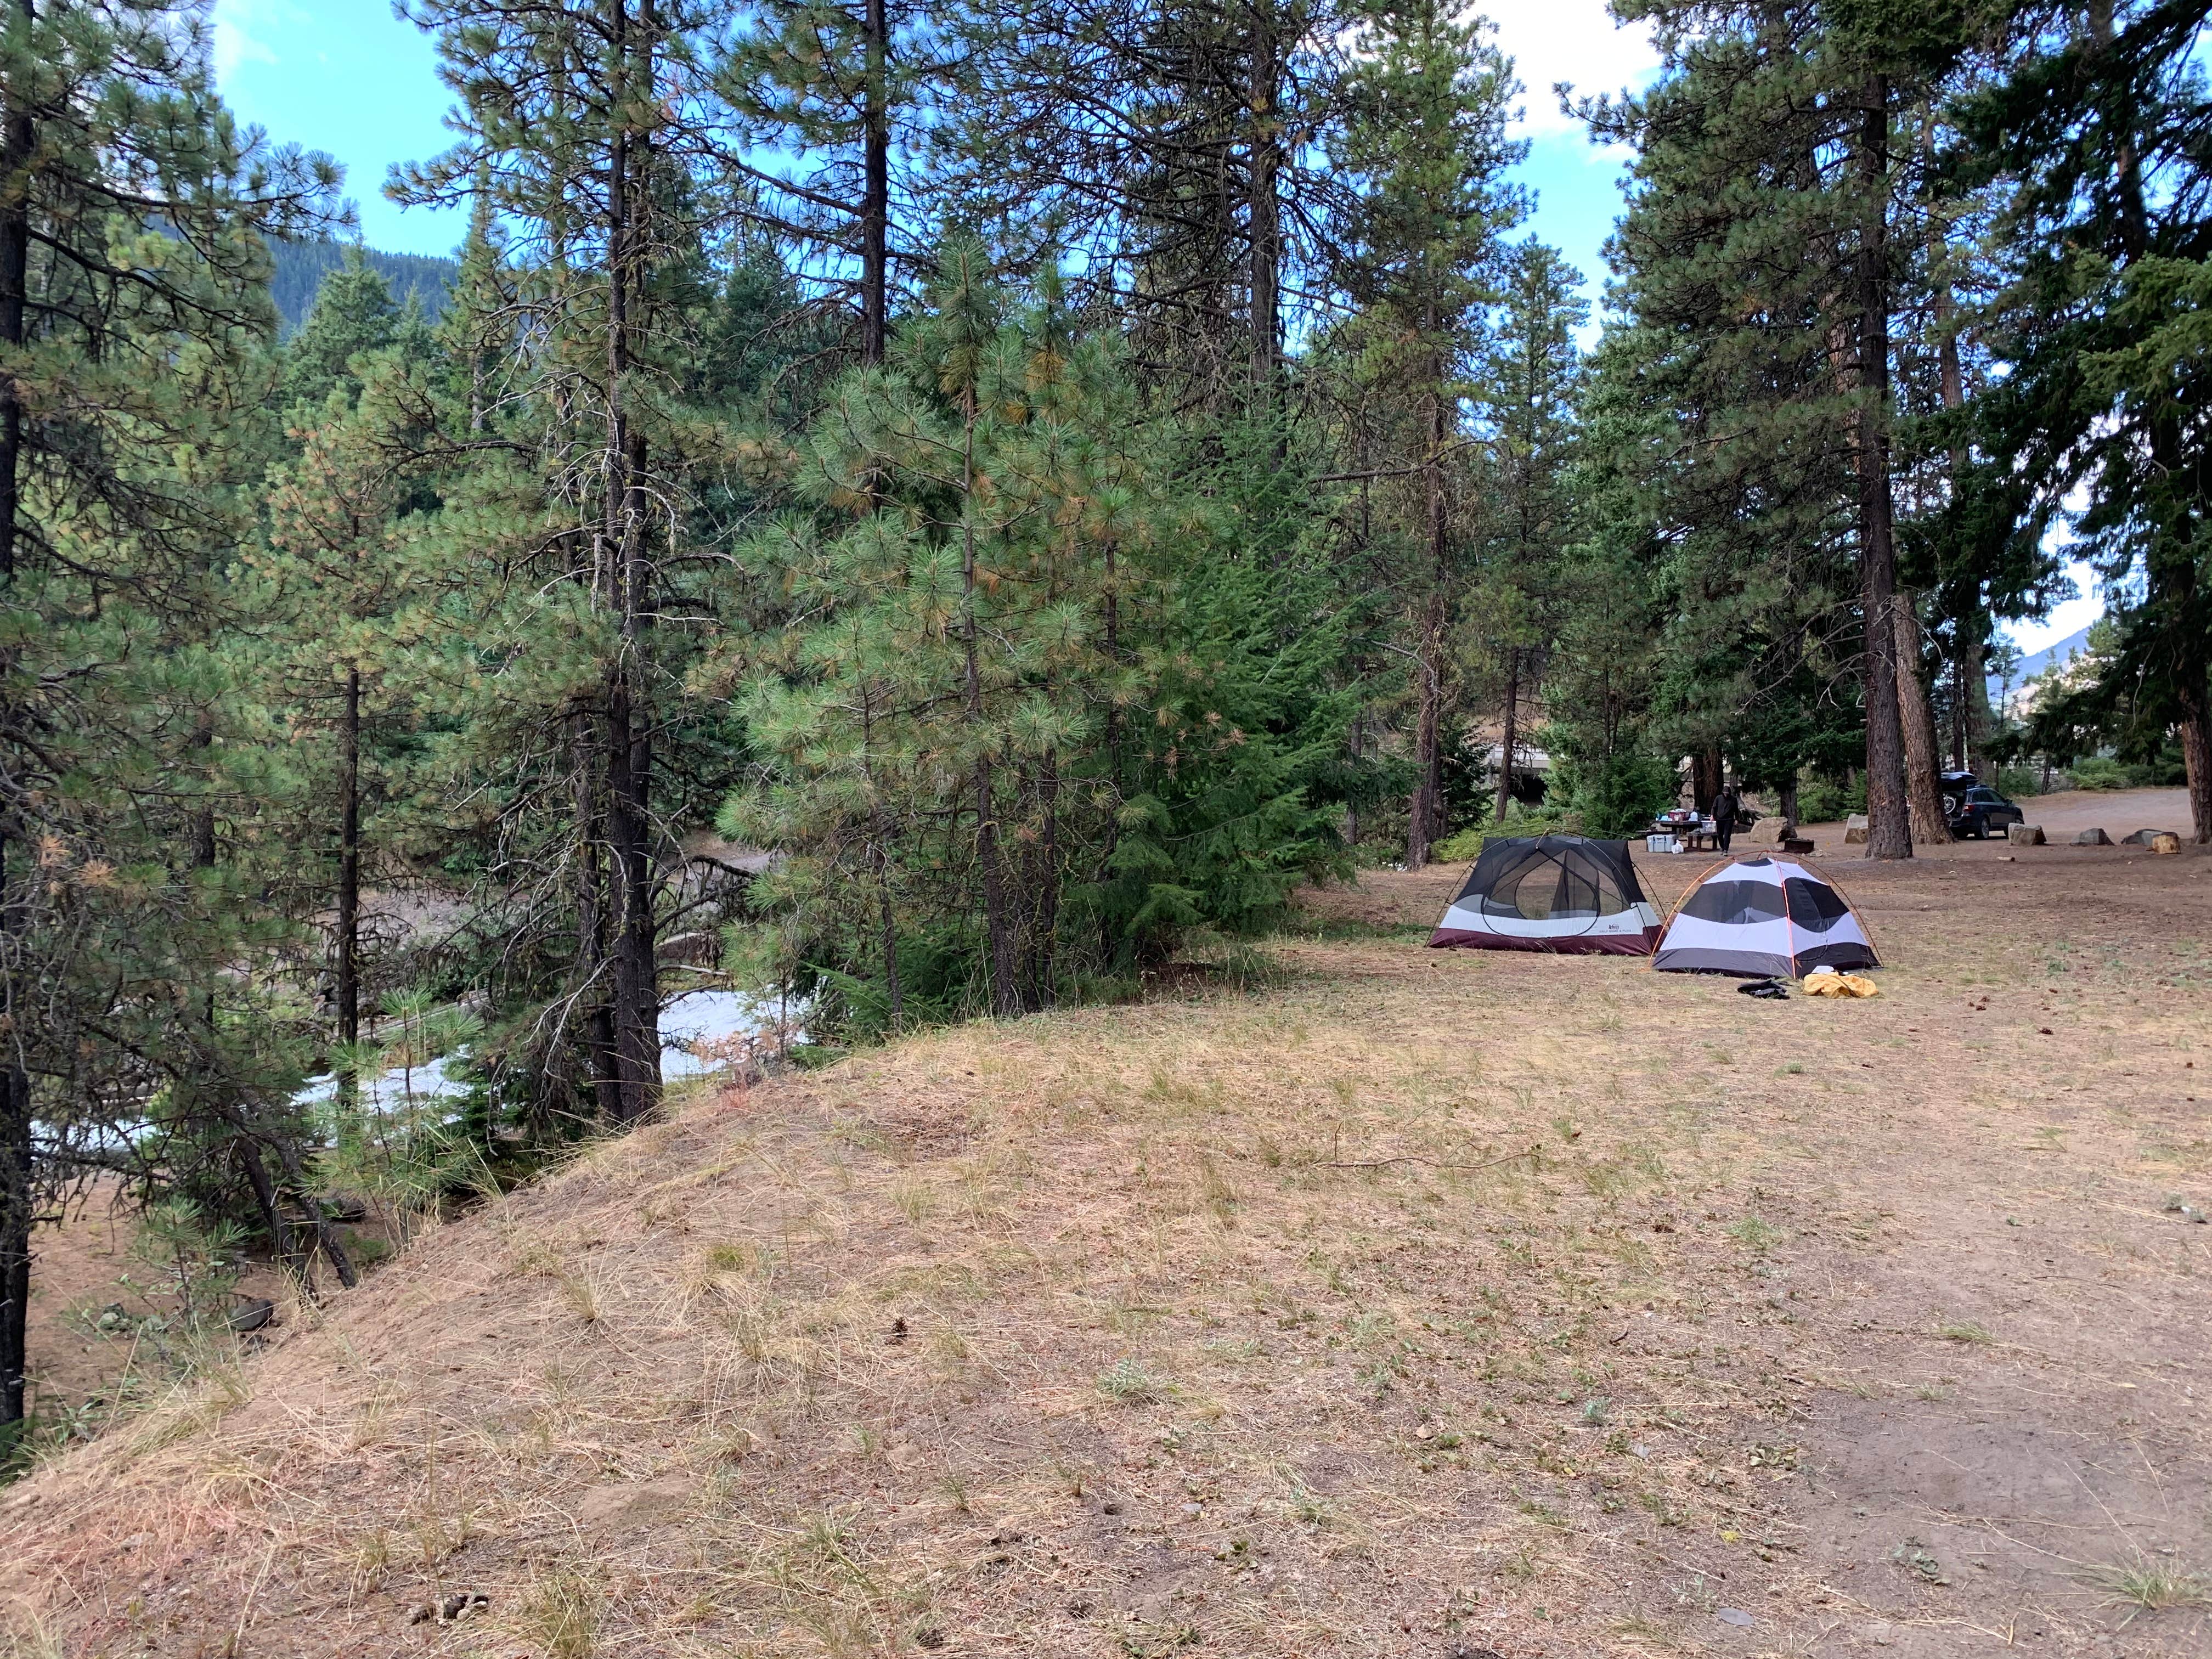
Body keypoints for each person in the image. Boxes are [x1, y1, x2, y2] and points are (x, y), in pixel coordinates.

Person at [1713, 783, 1740, 852]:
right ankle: (1722, 847)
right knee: (1720, 835)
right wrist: (1712, 815)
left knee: (1727, 835)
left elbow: (1736, 810)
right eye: (1725, 794)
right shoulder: (1718, 798)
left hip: (1729, 819)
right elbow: (1714, 807)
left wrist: (1737, 819)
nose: (1726, 795)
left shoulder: (1733, 800)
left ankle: (1726, 849)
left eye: (1727, 794)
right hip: (1719, 819)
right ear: (1723, 793)